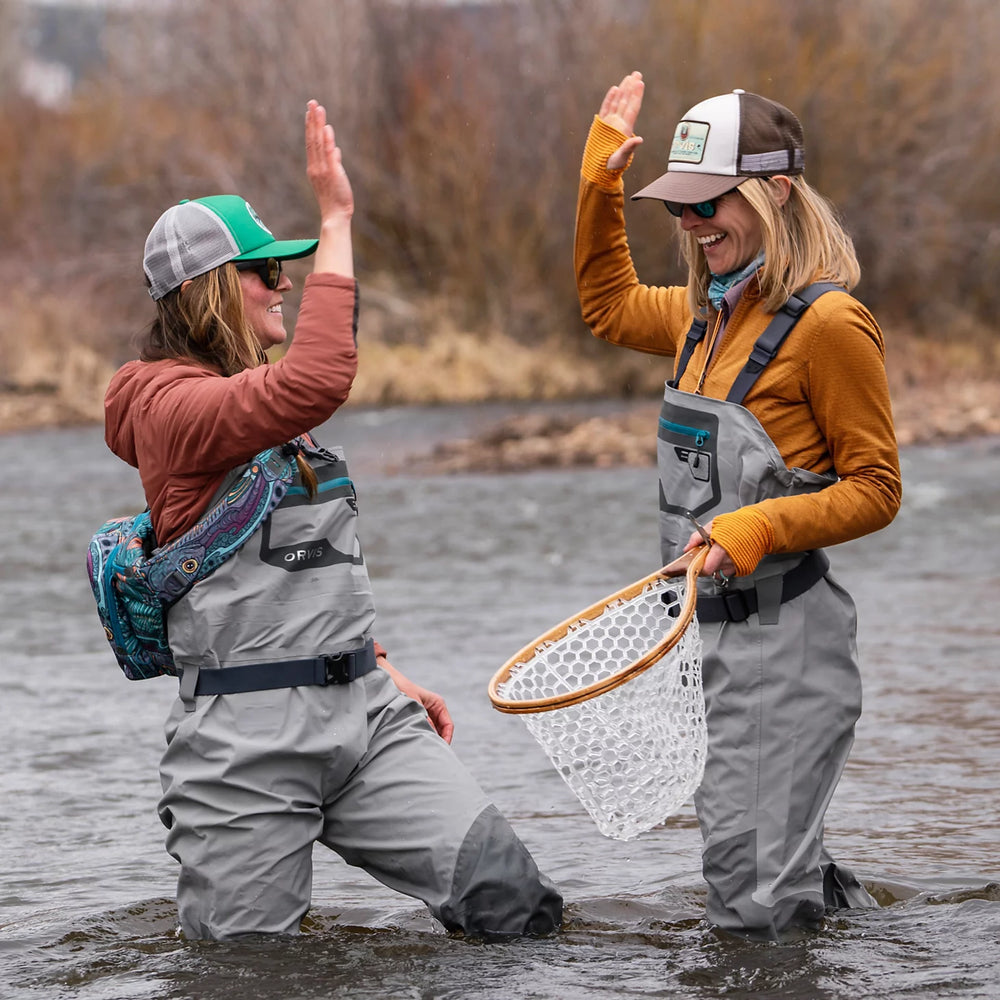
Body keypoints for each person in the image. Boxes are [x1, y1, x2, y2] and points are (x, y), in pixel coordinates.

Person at [103, 100, 562, 941]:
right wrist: (338, 216)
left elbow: (304, 565)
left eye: (290, 269)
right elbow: (319, 376)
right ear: (210, 291)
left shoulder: (261, 406)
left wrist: (380, 669)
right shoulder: (174, 408)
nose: (285, 285)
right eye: (266, 272)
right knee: (251, 979)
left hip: (367, 718)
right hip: (245, 746)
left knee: (515, 909)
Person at [574, 72, 901, 939]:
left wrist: (760, 525)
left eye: (707, 203)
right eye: (677, 208)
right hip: (710, 642)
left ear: (776, 194)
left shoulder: (831, 327)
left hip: (787, 643)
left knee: (750, 898)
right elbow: (606, 306)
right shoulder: (702, 315)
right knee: (759, 870)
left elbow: (877, 489)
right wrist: (598, 185)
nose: (689, 224)